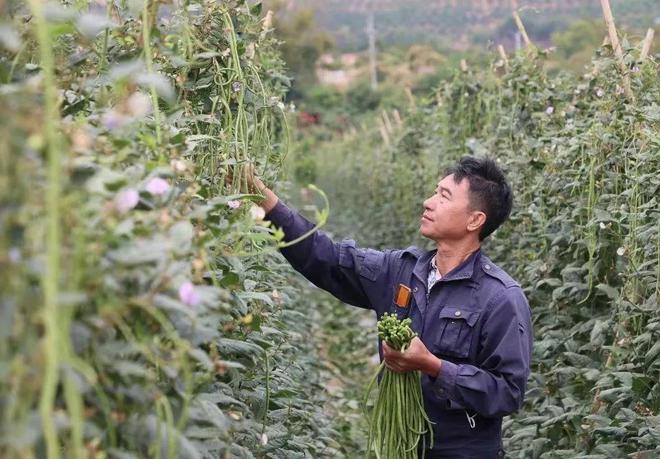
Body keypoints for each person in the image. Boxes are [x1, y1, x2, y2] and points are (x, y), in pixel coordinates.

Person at [252, 156, 533, 459]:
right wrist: (265, 198)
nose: (428, 202)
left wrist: (433, 366)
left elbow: (508, 392)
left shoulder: (501, 297)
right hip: (399, 447)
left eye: (444, 196)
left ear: (475, 220)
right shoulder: (400, 270)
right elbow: (328, 259)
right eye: (434, 192)